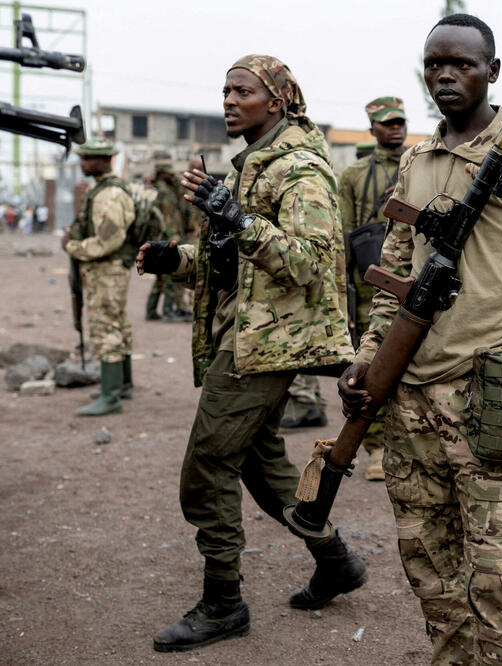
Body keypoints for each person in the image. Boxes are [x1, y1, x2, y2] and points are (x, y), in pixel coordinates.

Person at [340, 14, 502, 663]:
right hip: (410, 401)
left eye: (461, 63)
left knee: (496, 577)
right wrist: (368, 358)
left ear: (493, 71)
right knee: (429, 567)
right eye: (434, 64)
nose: (446, 75)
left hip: (490, 397)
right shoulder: (416, 160)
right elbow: (394, 278)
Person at [136, 54, 366, 652]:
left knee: (207, 465)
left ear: (279, 101)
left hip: (265, 345)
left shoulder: (299, 170)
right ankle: (335, 560)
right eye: (225, 91)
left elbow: (309, 264)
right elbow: (240, 265)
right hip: (248, 337)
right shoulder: (253, 166)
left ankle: (223, 604)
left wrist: (233, 214)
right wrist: (175, 259)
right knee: (263, 467)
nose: (230, 101)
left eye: (243, 91)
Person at [321, 96, 409, 479]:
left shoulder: (420, 165)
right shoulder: (355, 175)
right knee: (369, 366)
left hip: (412, 278)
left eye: (400, 122)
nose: (396, 129)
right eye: (388, 123)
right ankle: (375, 446)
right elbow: (342, 233)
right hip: (368, 282)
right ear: (373, 129)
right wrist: (341, 290)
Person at [62, 137, 136, 416]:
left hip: (106, 269)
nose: (82, 163)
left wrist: (73, 246)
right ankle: (122, 385)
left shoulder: (108, 195)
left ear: (105, 160)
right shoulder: (105, 190)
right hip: (109, 270)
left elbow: (108, 241)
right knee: (118, 324)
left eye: (87, 158)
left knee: (105, 328)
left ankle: (110, 396)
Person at [145, 156, 186, 322]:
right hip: (166, 240)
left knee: (159, 277)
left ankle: (151, 310)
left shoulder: (153, 190)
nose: (172, 176)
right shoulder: (165, 193)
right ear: (162, 174)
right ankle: (168, 312)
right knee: (169, 276)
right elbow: (169, 219)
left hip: (154, 240)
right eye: (169, 173)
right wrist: (173, 240)